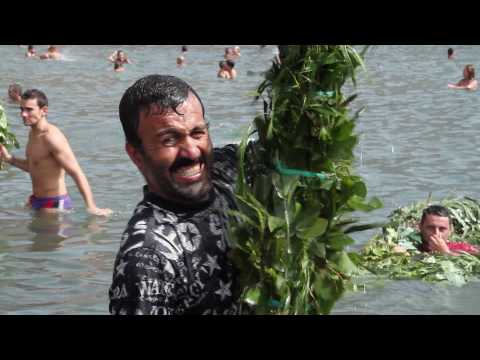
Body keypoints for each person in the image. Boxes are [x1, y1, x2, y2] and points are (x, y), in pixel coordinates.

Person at [109, 74, 245, 315]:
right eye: (169, 139)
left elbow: (298, 142)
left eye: (198, 133)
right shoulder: (147, 257)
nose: (192, 152)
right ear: (136, 154)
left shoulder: (228, 171)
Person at [0, 89, 112, 216]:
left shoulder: (52, 137)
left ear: (44, 111)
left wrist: (92, 207)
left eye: (29, 110)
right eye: (22, 109)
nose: (23, 114)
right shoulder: (33, 133)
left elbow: (76, 172)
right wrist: (10, 159)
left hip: (53, 204)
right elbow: (36, 166)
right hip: (35, 201)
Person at [392, 205, 480, 256]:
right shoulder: (413, 249)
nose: (436, 233)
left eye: (442, 229)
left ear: (451, 230)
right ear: (420, 227)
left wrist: (445, 252)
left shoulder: (463, 248)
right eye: (430, 228)